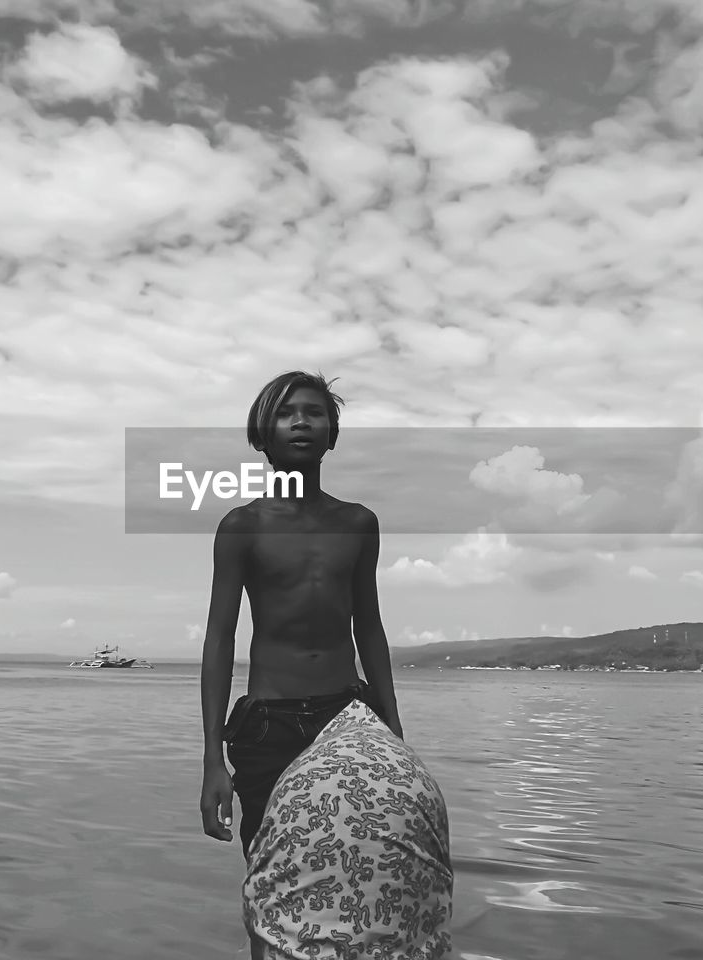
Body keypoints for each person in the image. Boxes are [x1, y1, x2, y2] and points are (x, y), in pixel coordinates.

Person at [200, 370, 404, 866]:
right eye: (286, 414)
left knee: (357, 862)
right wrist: (212, 759)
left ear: (331, 435)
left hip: (348, 716)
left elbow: (369, 626)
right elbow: (219, 639)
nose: (301, 423)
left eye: (314, 413)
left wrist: (394, 730)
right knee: (271, 871)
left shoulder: (358, 523)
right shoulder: (242, 526)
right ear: (262, 434)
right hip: (270, 723)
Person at [242, 698, 453, 959]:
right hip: (403, 781)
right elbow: (441, 890)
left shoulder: (297, 778)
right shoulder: (411, 772)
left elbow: (260, 908)